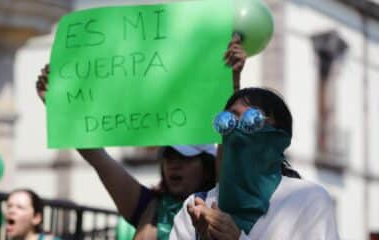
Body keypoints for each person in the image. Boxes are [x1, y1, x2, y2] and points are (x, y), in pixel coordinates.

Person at [35, 36, 247, 240]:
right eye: (168, 157)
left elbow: (230, 145)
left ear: (207, 165)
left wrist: (232, 82)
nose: (173, 165)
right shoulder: (149, 205)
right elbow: (99, 159)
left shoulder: (219, 203)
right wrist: (59, 106)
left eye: (185, 158)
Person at [169, 88, 340, 240]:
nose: (237, 132)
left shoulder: (307, 199)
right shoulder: (197, 206)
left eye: (252, 121)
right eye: (227, 121)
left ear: (279, 138)